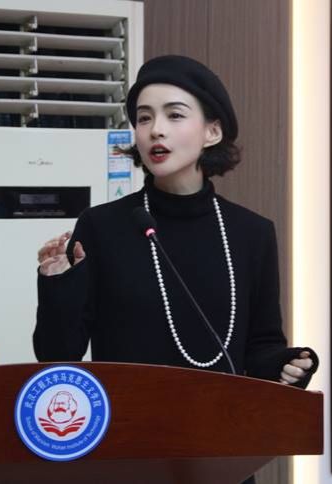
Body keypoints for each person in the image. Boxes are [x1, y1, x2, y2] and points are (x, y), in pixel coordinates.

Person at [34, 55, 317, 391]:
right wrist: (58, 285)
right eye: (144, 118)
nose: (156, 129)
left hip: (220, 419)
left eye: (175, 115)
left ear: (212, 132)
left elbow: (260, 347)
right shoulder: (101, 226)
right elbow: (56, 357)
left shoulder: (252, 233)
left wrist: (285, 366)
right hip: (127, 418)